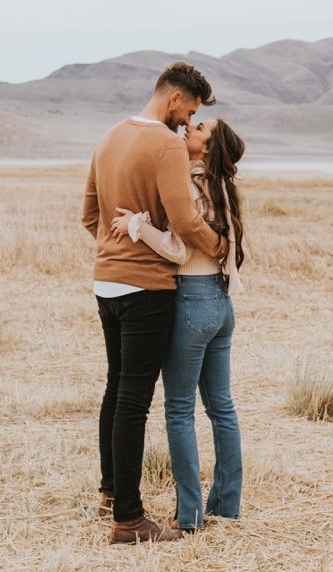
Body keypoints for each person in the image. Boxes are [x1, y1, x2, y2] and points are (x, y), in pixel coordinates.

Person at [82, 63, 227, 544]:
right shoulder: (165, 144)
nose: (188, 122)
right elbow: (185, 224)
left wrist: (115, 248)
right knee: (134, 402)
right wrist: (223, 248)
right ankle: (128, 518)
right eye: (189, 111)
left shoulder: (109, 136)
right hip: (146, 288)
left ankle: (110, 491)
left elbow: (89, 216)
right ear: (174, 99)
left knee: (115, 391)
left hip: (106, 284)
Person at [111, 118, 246, 533]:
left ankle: (188, 516)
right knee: (222, 408)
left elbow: (176, 249)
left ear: (208, 146)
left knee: (179, 410)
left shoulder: (189, 185)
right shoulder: (226, 188)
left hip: (191, 299)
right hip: (221, 305)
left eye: (201, 127)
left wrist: (138, 225)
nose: (190, 128)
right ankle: (225, 504)